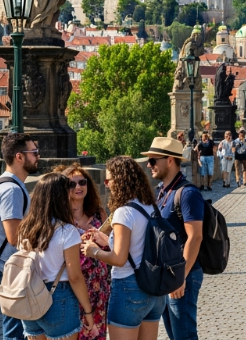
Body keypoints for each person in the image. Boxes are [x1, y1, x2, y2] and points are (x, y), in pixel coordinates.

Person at [80, 156, 166, 340]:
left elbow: (119, 258)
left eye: (108, 180)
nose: (107, 185)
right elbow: (137, 243)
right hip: (154, 288)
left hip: (129, 288)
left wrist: (93, 251)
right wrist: (106, 240)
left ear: (120, 181)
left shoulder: (123, 212)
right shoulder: (149, 206)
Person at [16, 173, 96, 340]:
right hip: (59, 296)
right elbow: (74, 277)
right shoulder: (66, 231)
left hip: (30, 295)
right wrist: (88, 310)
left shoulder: (25, 228)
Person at [142, 138, 205, 340]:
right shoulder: (162, 191)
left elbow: (195, 237)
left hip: (182, 275)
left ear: (170, 160)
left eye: (153, 160)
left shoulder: (187, 193)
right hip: (168, 276)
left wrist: (181, 277)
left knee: (184, 336)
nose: (148, 165)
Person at [0, 132, 37, 340]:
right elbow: (14, 236)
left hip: (11, 269)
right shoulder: (11, 190)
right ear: (19, 156)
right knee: (15, 333)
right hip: (11, 271)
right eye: (34, 152)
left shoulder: (9, 185)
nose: (38, 156)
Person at [55, 163, 110, 340]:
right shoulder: (60, 217)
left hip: (99, 287)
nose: (78, 187)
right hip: (73, 287)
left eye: (82, 182)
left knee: (97, 334)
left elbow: (111, 245)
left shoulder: (98, 213)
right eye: (72, 184)